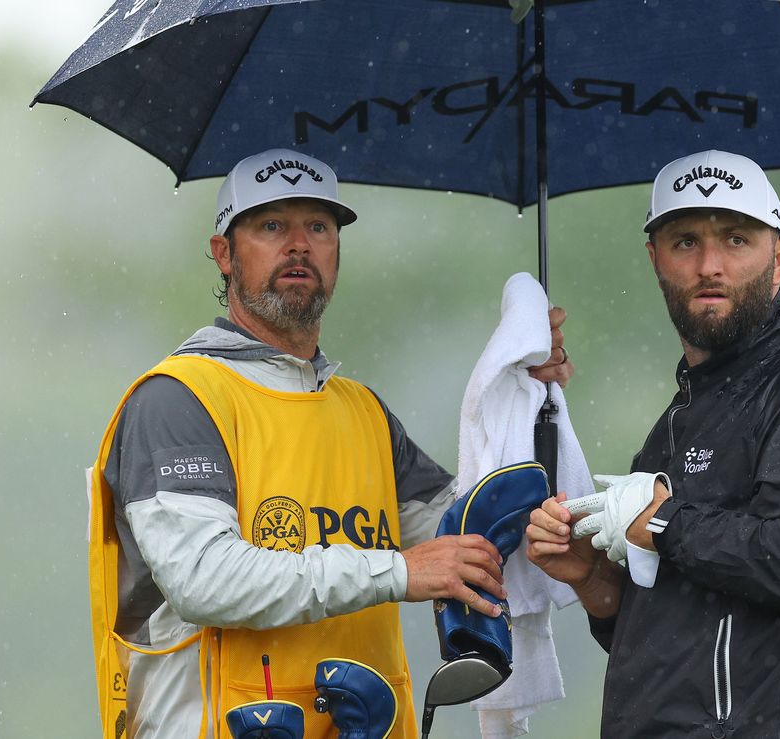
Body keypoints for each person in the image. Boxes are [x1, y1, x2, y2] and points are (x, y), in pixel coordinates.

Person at [87, 148, 573, 739]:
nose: (299, 245)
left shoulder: (363, 410)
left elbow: (475, 538)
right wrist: (398, 571)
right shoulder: (177, 398)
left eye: (318, 227)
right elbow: (204, 579)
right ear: (223, 253)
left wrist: (522, 396)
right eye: (272, 226)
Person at [526, 150, 780, 738]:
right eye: (684, 242)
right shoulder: (676, 421)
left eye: (735, 240)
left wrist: (668, 524)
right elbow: (676, 637)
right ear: (654, 260)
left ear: (779, 256)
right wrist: (595, 582)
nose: (709, 265)